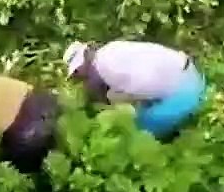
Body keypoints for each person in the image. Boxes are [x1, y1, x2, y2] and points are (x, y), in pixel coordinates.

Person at [62, 39, 207, 140]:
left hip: (184, 94)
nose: (77, 76)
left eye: (76, 72)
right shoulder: (111, 48)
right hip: (193, 75)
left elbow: (144, 87)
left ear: (82, 63)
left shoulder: (104, 69)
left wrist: (124, 104)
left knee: (136, 132)